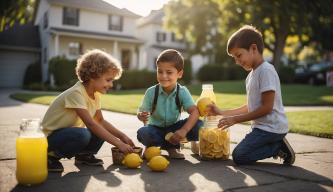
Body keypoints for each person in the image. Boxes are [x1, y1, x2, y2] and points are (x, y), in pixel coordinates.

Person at [206, 25, 295, 165]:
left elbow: (267, 108)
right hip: (262, 128)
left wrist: (235, 120)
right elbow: (251, 107)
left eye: (239, 55)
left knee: (240, 156)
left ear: (253, 48)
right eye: (234, 58)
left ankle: (277, 147)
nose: (237, 61)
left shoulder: (266, 71)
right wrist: (223, 113)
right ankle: (274, 145)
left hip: (272, 128)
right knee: (241, 154)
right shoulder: (251, 76)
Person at [42, 49, 134, 172]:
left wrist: (122, 136)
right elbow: (90, 123)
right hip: (48, 139)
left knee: (99, 128)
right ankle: (50, 156)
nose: (111, 85)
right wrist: (119, 144)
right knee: (83, 134)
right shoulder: (76, 93)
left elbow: (100, 121)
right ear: (92, 76)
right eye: (108, 80)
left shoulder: (95, 95)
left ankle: (84, 155)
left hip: (65, 134)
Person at [137, 49, 203, 159]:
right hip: (155, 128)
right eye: (160, 71)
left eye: (169, 72)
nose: (163, 76)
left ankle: (173, 147)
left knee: (200, 125)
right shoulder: (151, 92)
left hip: (175, 130)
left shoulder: (182, 92)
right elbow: (142, 113)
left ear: (179, 74)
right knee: (144, 132)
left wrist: (184, 130)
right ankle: (154, 147)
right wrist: (141, 115)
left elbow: (195, 112)